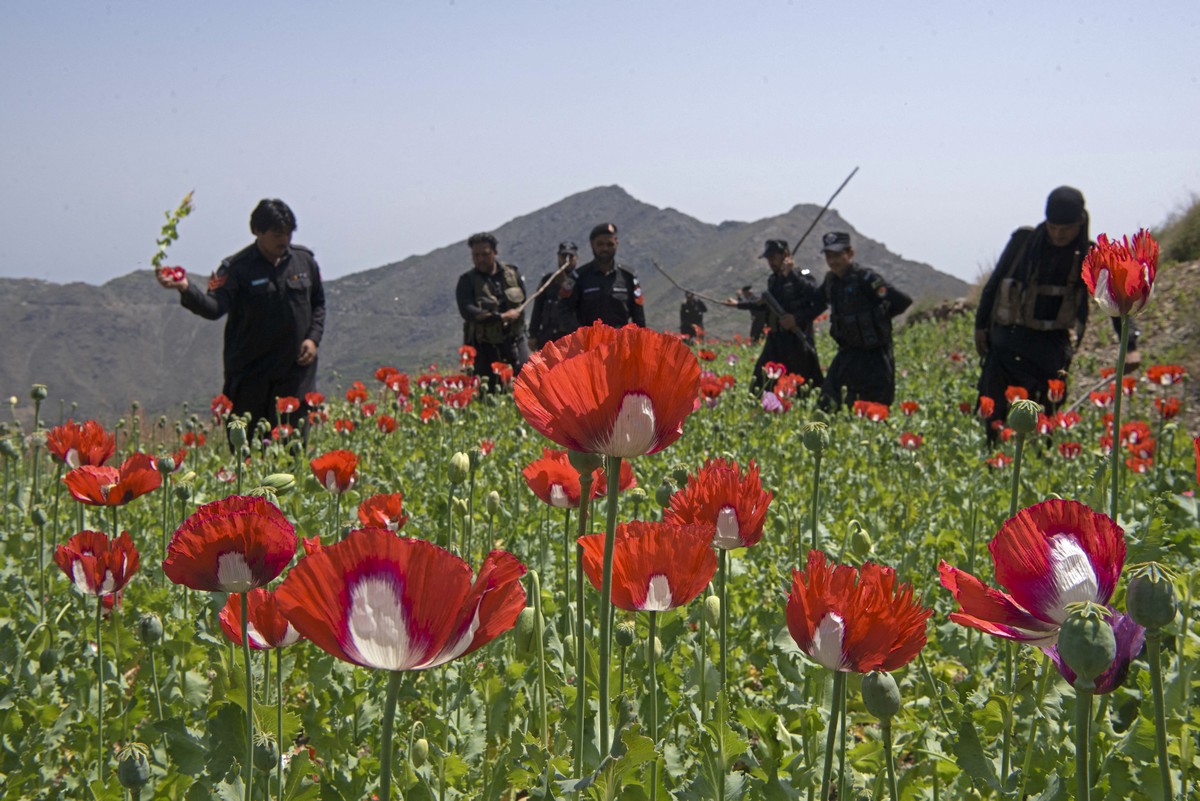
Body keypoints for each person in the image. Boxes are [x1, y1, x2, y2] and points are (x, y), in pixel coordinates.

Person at [973, 186, 1137, 437]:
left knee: (1044, 430)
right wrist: (980, 327)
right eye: (1053, 227)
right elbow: (993, 285)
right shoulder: (1022, 242)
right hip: (1006, 346)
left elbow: (1115, 301)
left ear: (1080, 223)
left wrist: (1131, 347)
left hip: (1049, 353)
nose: (1058, 234)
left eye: (1066, 229)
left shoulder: (1089, 256)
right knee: (994, 425)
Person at [156, 198, 325, 436]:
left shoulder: (304, 261)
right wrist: (185, 288)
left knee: (291, 455)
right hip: (250, 379)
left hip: (294, 376)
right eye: (277, 234)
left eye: (288, 234)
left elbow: (318, 303)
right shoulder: (235, 268)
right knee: (244, 450)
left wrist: (313, 338)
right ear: (257, 231)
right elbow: (214, 308)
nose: (284, 241)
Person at [818, 231, 912, 411]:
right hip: (847, 355)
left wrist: (877, 319)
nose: (833, 261)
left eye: (838, 255)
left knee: (873, 408)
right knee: (828, 405)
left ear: (850, 253)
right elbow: (814, 300)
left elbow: (903, 301)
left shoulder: (866, 279)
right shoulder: (831, 282)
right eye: (829, 256)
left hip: (874, 357)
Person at [727, 239, 826, 391]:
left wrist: (792, 274)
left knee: (802, 386)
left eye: (773, 258)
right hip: (775, 340)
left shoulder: (803, 272)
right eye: (768, 259)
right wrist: (738, 304)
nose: (770, 262)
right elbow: (765, 305)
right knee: (759, 384)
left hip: (797, 340)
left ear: (785, 255)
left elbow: (817, 298)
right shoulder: (773, 280)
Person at [455, 232, 529, 389]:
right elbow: (467, 310)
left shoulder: (512, 274)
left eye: (485, 254)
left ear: (495, 253)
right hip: (484, 346)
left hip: (514, 339)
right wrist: (500, 317)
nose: (480, 259)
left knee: (526, 381)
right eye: (476, 255)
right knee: (488, 389)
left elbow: (523, 299)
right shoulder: (466, 281)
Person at [570, 223, 646, 328]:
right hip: (589, 342)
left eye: (609, 244)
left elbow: (638, 316)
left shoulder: (629, 277)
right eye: (600, 244)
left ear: (616, 243)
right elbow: (565, 313)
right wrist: (582, 335)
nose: (605, 249)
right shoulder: (579, 277)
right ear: (592, 244)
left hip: (619, 342)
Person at [528, 242, 580, 350]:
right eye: (563, 256)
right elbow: (538, 308)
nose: (566, 260)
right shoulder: (548, 280)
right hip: (548, 337)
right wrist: (533, 334)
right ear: (558, 257)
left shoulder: (581, 280)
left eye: (570, 256)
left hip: (571, 339)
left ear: (576, 258)